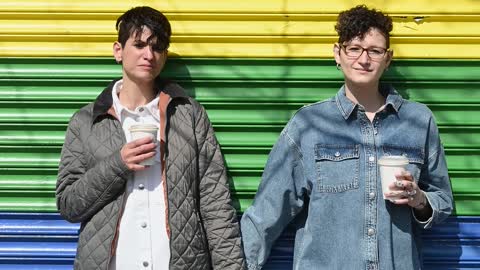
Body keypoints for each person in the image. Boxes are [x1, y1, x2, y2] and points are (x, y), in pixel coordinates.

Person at [240, 5, 453, 270]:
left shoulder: (418, 122)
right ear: (337, 54)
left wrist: (419, 199)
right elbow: (266, 213)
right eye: (354, 48)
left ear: (388, 59)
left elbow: (443, 201)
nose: (364, 59)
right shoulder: (308, 125)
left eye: (374, 51)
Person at [56, 6, 245, 270]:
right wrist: (117, 164)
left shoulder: (188, 116)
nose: (149, 55)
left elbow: (216, 206)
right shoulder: (86, 122)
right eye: (139, 44)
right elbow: (68, 205)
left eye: (157, 47)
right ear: (118, 51)